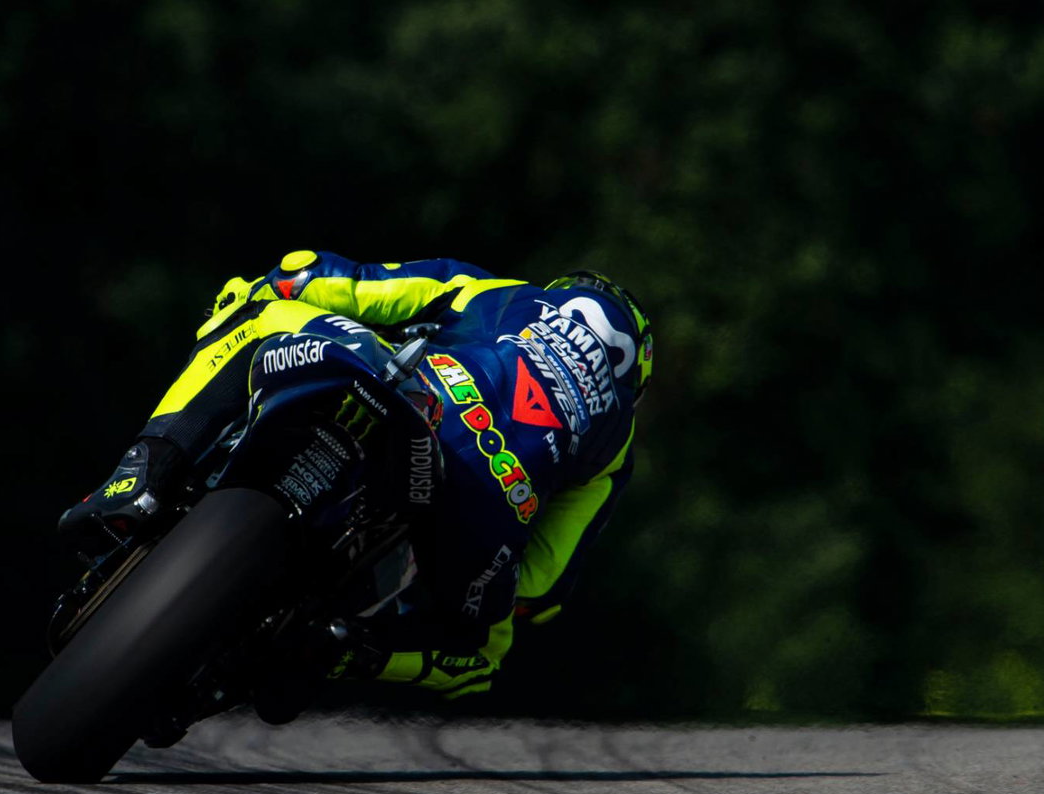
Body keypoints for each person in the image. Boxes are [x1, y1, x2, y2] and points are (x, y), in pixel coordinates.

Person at [58, 250, 652, 707]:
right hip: (484, 504)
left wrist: (285, 280)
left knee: (255, 309)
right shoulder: (617, 441)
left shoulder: (498, 292)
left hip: (412, 394)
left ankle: (141, 474)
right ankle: (345, 651)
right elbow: (541, 588)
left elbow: (347, 285)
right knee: (481, 657)